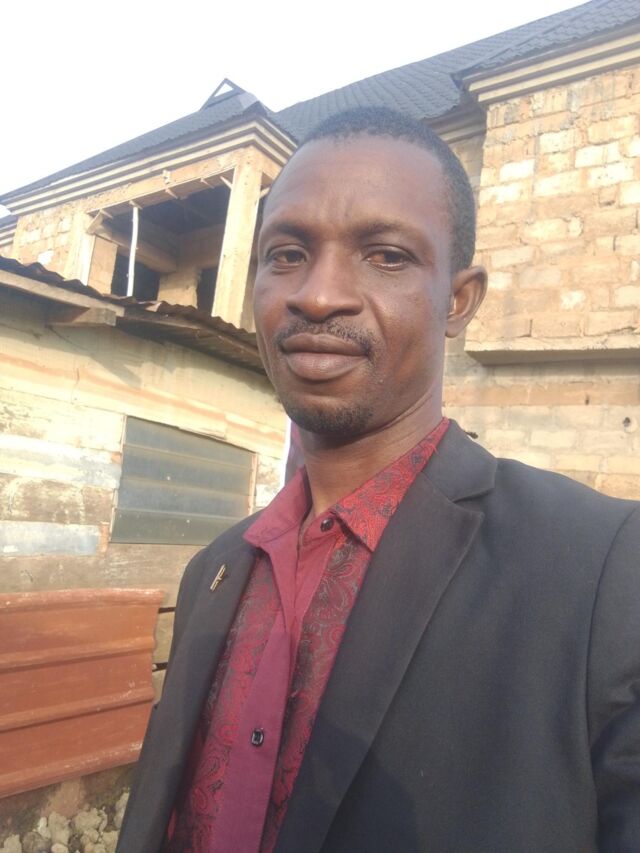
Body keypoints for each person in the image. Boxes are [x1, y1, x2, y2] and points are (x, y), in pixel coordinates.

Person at [117, 107, 640, 853]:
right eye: (287, 253)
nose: (318, 294)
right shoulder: (215, 570)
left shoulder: (602, 570)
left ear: (458, 300)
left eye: (386, 256)